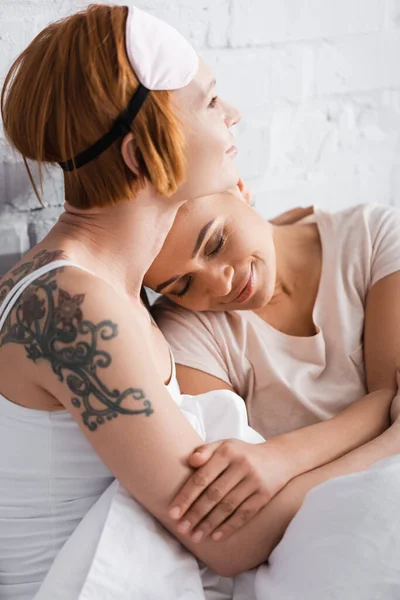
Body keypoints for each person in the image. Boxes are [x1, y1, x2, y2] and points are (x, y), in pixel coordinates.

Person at [146, 183, 400, 544]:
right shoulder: (184, 331)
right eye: (183, 285)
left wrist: (280, 458)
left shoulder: (372, 236)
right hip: (318, 536)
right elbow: (239, 512)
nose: (220, 286)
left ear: (238, 188)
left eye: (216, 243)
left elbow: (391, 398)